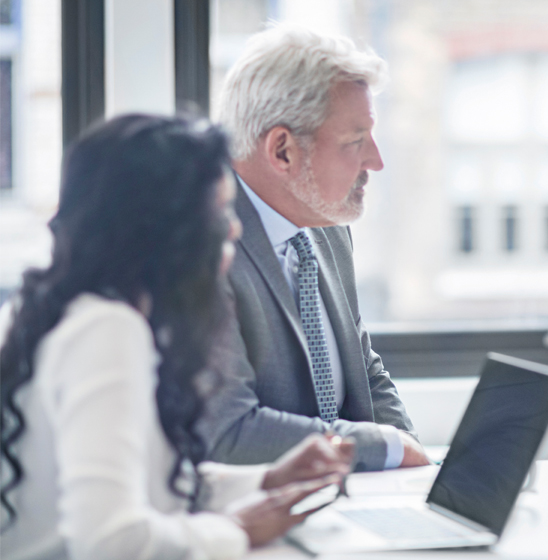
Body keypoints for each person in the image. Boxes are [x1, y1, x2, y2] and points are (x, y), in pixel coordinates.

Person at [0, 115, 355, 560]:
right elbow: (110, 543)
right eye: (219, 211)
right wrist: (237, 530)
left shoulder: (59, 310)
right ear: (164, 227)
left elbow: (149, 483)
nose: (234, 228)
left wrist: (268, 480)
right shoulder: (107, 330)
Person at [203, 24, 428, 471]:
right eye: (355, 141)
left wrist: (415, 468)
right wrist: (386, 448)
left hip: (347, 504)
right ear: (282, 151)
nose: (376, 161)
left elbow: (364, 370)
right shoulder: (201, 250)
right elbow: (227, 432)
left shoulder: (325, 224)